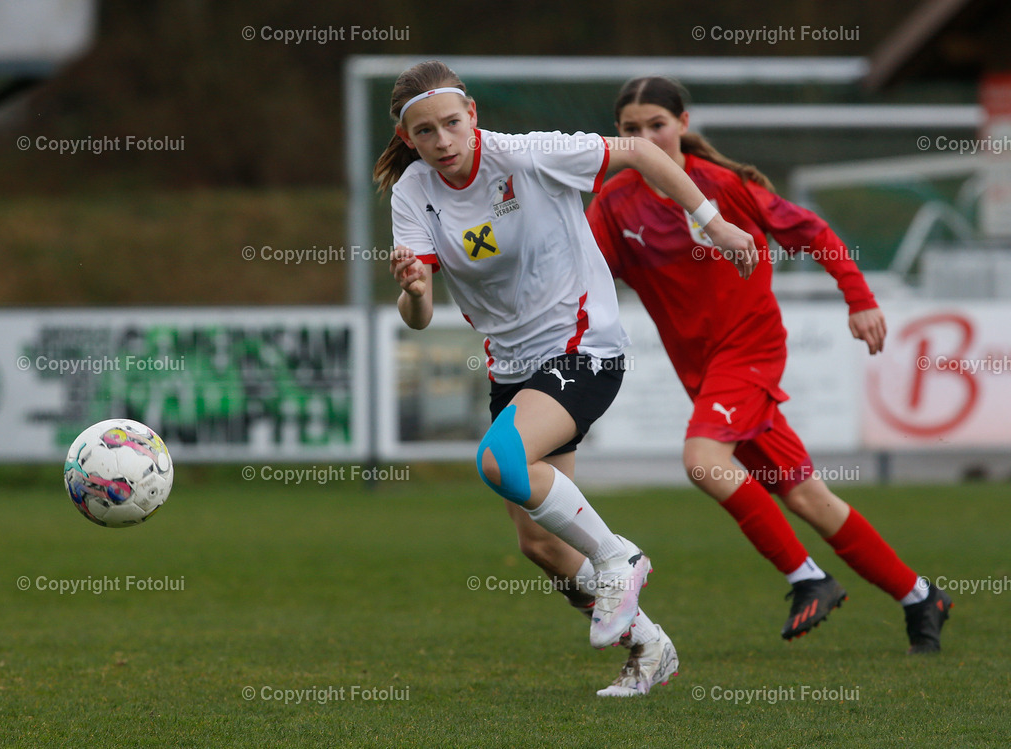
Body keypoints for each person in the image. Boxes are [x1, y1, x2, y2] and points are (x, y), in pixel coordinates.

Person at [375, 60, 758, 695]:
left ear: (472, 115)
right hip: (514, 368)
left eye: (450, 124)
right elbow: (416, 319)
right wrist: (415, 289)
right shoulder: (414, 193)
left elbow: (638, 151)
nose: (442, 141)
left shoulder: (527, 157)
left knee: (501, 461)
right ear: (408, 138)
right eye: (425, 133)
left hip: (583, 346)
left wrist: (710, 221)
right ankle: (649, 648)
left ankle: (619, 558)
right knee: (543, 547)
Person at [584, 75, 952, 654]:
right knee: (807, 496)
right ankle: (920, 596)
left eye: (657, 124)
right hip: (703, 374)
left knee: (704, 461)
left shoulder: (722, 187)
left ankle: (808, 578)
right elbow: (582, 279)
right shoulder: (613, 203)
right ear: (618, 137)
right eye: (631, 130)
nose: (646, 137)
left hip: (750, 351)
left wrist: (859, 300)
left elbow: (812, 231)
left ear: (683, 123)